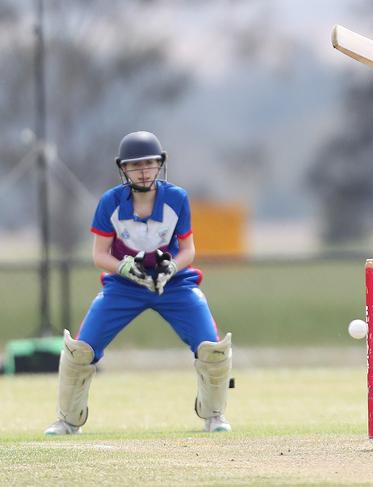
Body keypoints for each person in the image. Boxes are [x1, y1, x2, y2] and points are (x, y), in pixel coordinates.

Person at [44, 131, 232, 435]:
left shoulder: (176, 198)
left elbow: (188, 251)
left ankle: (214, 415)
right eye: (135, 165)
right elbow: (99, 254)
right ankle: (68, 420)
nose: (143, 171)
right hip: (124, 285)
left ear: (160, 165)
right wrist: (124, 267)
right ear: (123, 169)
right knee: (80, 351)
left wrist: (170, 268)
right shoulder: (111, 203)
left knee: (212, 349)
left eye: (149, 163)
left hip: (173, 283)